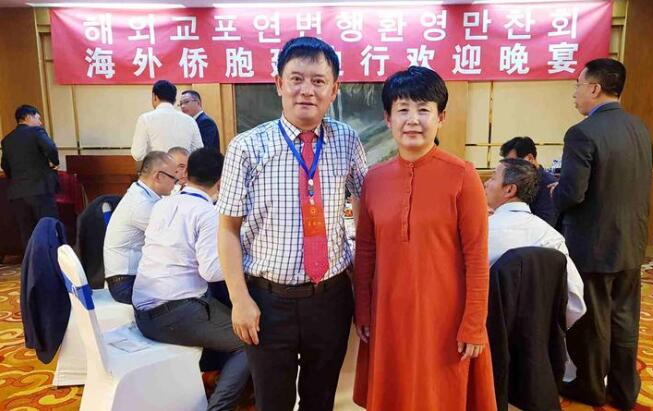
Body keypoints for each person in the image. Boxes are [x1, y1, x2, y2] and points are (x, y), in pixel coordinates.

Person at [217, 36, 367, 411]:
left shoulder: (347, 140)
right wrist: (239, 300)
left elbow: (366, 206)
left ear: (334, 89)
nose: (307, 90)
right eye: (296, 79)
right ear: (279, 84)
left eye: (318, 81)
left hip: (330, 298)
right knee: (273, 402)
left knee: (321, 400)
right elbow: (227, 230)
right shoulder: (247, 147)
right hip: (267, 301)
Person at [352, 66, 495, 411]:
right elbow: (366, 252)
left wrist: (474, 324)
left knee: (439, 395)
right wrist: (364, 311)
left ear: (440, 117)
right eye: (403, 109)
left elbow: (477, 257)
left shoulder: (463, 176)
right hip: (389, 314)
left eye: (423, 110)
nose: (412, 120)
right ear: (388, 119)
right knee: (394, 392)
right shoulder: (374, 180)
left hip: (444, 316)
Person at [552, 58, 653, 410]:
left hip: (593, 245)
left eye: (577, 86)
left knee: (593, 321)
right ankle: (625, 390)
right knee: (624, 318)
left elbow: (572, 194)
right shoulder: (641, 128)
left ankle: (591, 387)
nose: (575, 94)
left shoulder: (582, 133)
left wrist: (556, 192)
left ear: (594, 88)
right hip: (631, 243)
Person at [133, 148, 249, 411]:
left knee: (226, 311)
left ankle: (218, 379)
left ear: (186, 173)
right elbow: (211, 272)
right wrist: (243, 256)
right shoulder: (207, 213)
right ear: (222, 182)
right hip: (173, 314)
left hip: (143, 311)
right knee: (249, 339)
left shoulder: (163, 204)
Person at [485, 158, 586, 328]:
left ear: (509, 189)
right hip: (541, 336)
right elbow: (576, 303)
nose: (486, 183)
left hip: (487, 332)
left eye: (493, 178)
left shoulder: (482, 233)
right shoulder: (551, 236)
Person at [103, 151, 178, 304]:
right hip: (126, 284)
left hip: (133, 278)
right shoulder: (141, 204)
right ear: (158, 176)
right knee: (188, 292)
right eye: (173, 178)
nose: (175, 183)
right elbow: (174, 240)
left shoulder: (141, 193)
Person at [1, 105, 60, 248]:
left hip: (17, 194)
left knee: (27, 233)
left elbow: (5, 165)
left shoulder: (7, 139)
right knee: (48, 229)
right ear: (28, 116)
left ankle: (31, 260)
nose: (40, 122)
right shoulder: (36, 131)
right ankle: (51, 259)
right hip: (40, 190)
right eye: (38, 118)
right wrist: (54, 162)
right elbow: (51, 148)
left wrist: (16, 178)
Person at [130, 80, 203, 161]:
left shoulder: (145, 119)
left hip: (157, 167)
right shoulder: (190, 120)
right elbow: (199, 152)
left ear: (154, 96)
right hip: (183, 167)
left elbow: (137, 154)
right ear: (174, 100)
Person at [499, 136, 558, 226]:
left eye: (514, 163)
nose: (510, 168)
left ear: (530, 158)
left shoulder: (548, 184)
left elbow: (545, 223)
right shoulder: (515, 180)